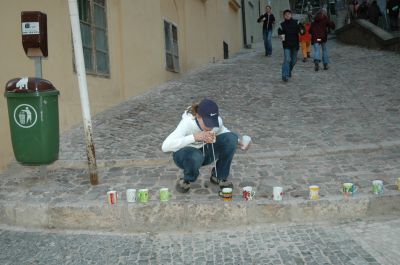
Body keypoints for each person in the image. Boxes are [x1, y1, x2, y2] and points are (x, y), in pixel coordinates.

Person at [162, 98, 247, 193]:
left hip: (205, 152)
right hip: (184, 155)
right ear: (198, 116)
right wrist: (194, 137)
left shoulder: (217, 121)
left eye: (212, 122)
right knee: (195, 156)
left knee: (231, 138)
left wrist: (238, 141)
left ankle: (218, 177)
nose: (210, 126)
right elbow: (165, 146)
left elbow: (223, 130)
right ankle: (187, 179)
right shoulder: (187, 123)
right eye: (207, 122)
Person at [277, 9, 301, 82]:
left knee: (293, 61)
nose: (287, 15)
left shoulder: (296, 22)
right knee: (287, 59)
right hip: (286, 45)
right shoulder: (282, 25)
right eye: (286, 14)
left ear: (291, 15)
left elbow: (302, 30)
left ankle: (288, 71)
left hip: (295, 44)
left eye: (289, 14)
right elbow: (280, 34)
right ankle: (285, 75)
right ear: (284, 16)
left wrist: (302, 30)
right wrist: (281, 36)